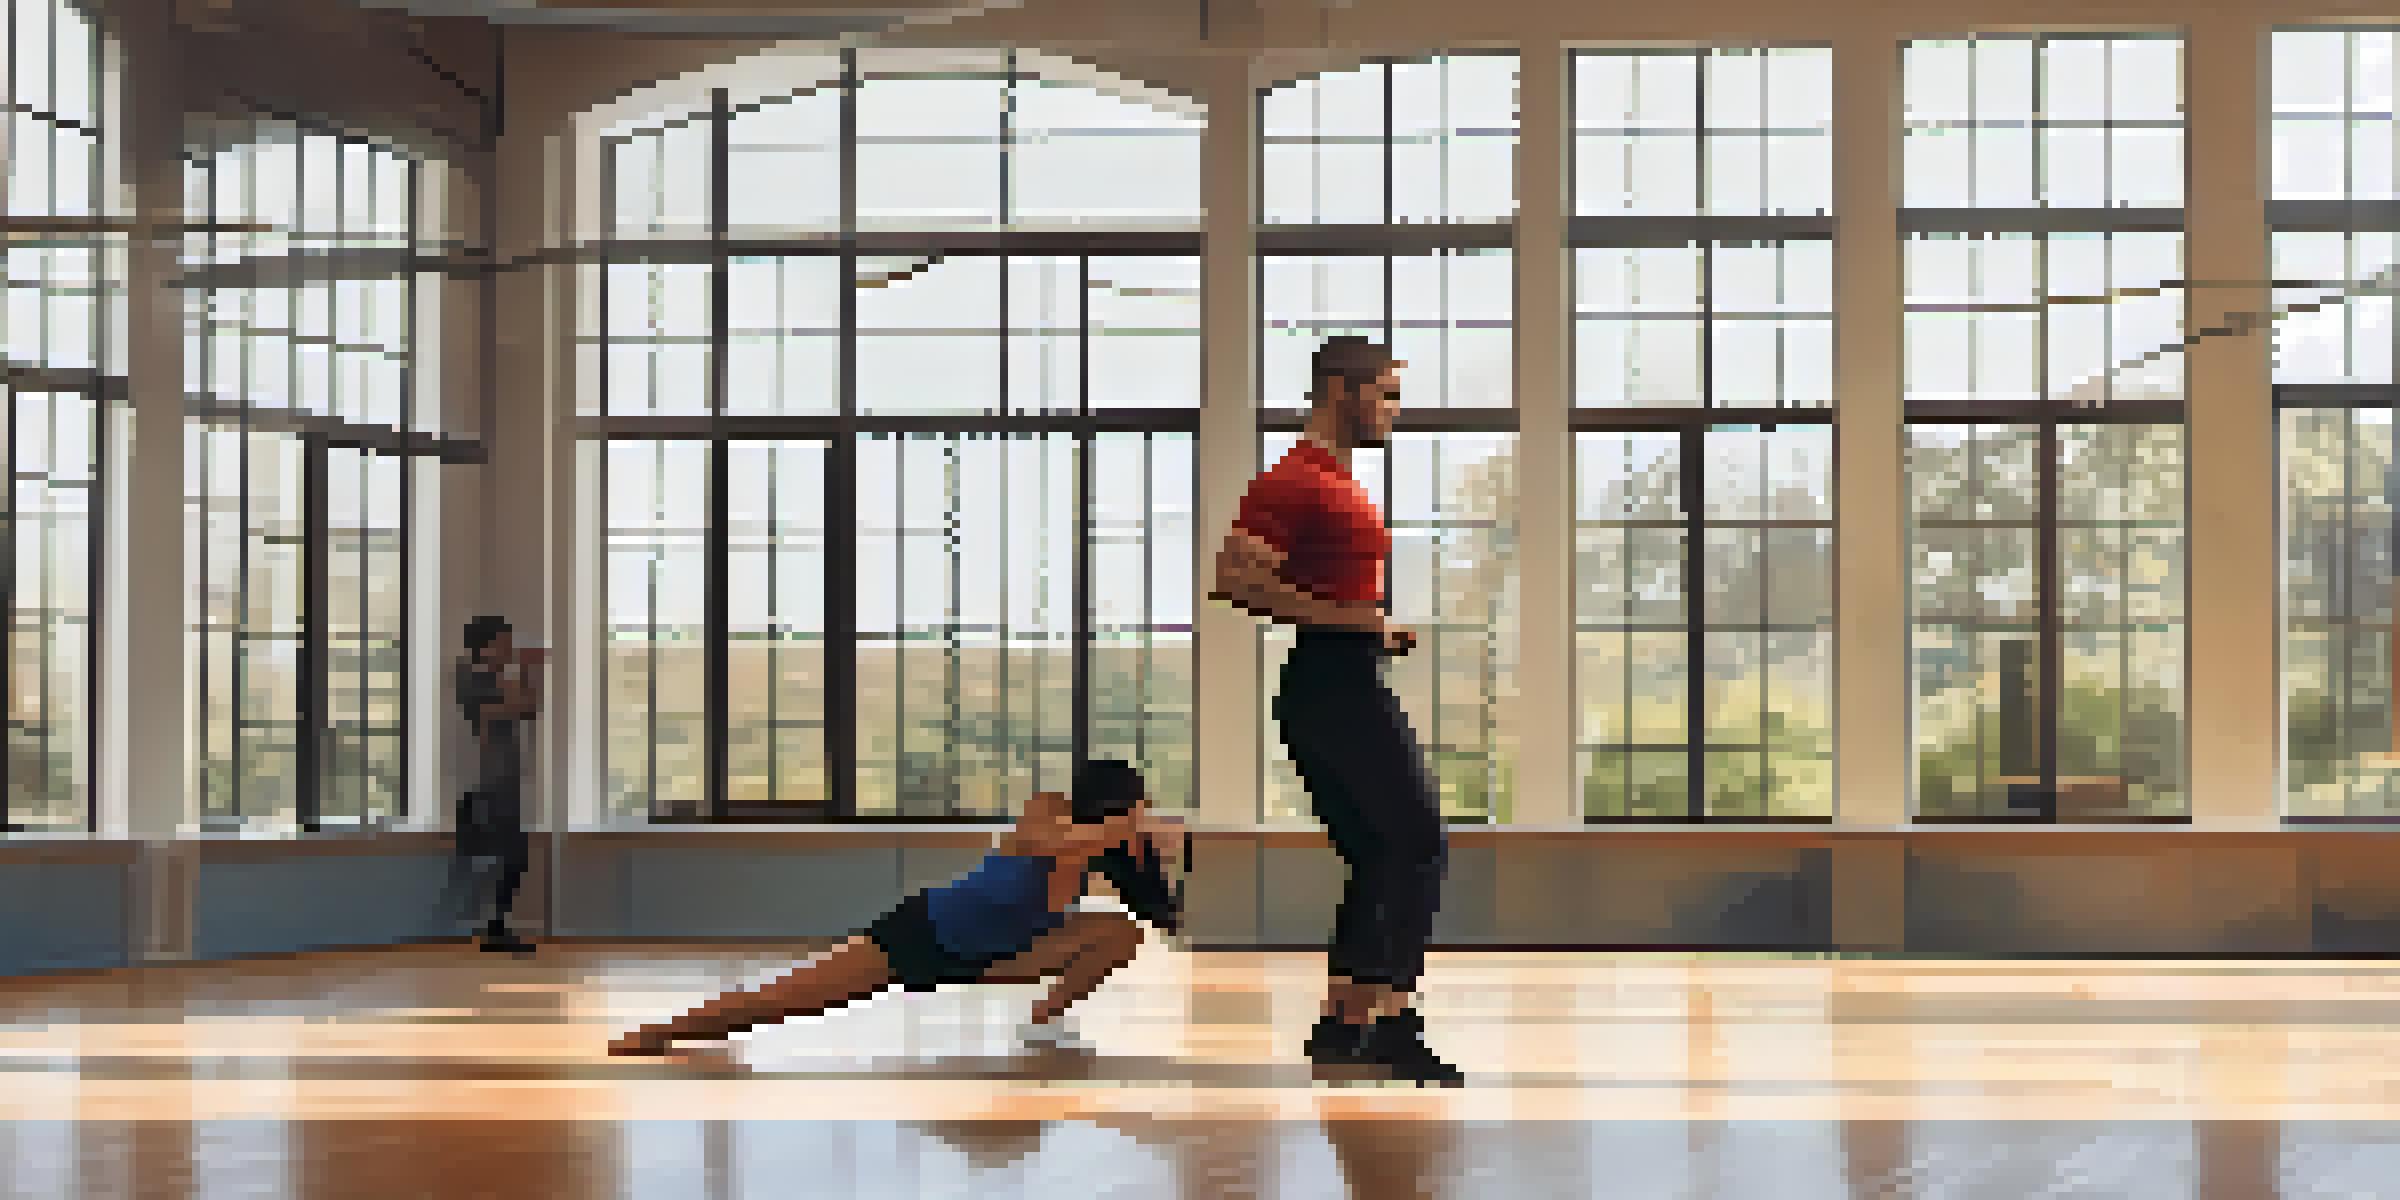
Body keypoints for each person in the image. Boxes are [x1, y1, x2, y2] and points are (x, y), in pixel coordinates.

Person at [1208, 335, 1462, 1086]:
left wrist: (1366, 627)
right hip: (1332, 682)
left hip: (1345, 677)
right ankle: (1390, 1023)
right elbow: (1233, 579)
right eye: (1382, 394)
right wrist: (1355, 622)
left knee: (1383, 854)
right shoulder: (1295, 480)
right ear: (1339, 389)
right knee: (1417, 843)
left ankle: (1345, 1024)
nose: (1390, 412)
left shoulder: (1337, 481)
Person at [608, 759, 1185, 1057]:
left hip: (999, 954)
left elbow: (1148, 903)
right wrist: (1127, 826)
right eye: (1136, 805)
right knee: (782, 1000)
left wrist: (1152, 851)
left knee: (1119, 933)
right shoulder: (1048, 811)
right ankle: (657, 1034)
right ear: (1111, 802)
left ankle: (1044, 1023)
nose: (1140, 817)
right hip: (923, 936)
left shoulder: (1105, 847)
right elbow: (1048, 845)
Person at [447, 615, 541, 954]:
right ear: (485, 648)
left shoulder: (491, 677)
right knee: (501, 856)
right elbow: (522, 707)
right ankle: (486, 929)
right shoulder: (471, 677)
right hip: (485, 785)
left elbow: (528, 710)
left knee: (512, 856)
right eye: (504, 645)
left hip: (501, 783)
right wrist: (527, 671)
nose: (509, 651)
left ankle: (495, 928)